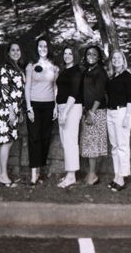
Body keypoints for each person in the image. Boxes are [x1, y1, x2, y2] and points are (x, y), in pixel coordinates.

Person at [25, 36, 59, 185]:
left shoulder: (54, 67)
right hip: (34, 105)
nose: (43, 49)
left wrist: (56, 106)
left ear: (49, 48)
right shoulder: (30, 66)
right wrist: (28, 107)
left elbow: (55, 87)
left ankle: (40, 170)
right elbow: (27, 87)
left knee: (45, 138)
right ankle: (34, 174)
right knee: (34, 138)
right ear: (36, 48)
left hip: (49, 105)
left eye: (45, 46)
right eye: (40, 46)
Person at [0, 42, 24, 187]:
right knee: (7, 141)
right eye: (13, 50)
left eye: (18, 50)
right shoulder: (6, 68)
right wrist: (11, 111)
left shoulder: (18, 68)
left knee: (5, 141)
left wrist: (20, 110)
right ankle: (4, 176)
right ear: (8, 53)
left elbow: (19, 92)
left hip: (15, 109)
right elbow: (5, 91)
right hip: (7, 109)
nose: (16, 52)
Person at [106, 50, 131, 192]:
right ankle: (117, 175)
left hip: (122, 112)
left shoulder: (127, 76)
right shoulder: (111, 77)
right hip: (110, 112)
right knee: (115, 146)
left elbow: (130, 99)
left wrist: (127, 116)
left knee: (122, 146)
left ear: (123, 60)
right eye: (114, 58)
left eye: (119, 58)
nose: (116, 60)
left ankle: (122, 178)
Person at [80, 45, 108, 186]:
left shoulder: (100, 72)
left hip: (96, 112)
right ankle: (91, 173)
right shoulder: (87, 71)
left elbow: (99, 94)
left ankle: (92, 175)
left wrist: (92, 113)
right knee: (89, 144)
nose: (91, 56)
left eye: (94, 54)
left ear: (99, 57)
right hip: (88, 111)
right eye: (88, 53)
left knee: (92, 145)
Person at [55, 46, 83, 188]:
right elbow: (59, 90)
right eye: (65, 53)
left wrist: (65, 112)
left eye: (70, 53)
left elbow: (73, 93)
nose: (67, 56)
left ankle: (71, 176)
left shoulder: (76, 71)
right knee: (65, 141)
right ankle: (69, 174)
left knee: (70, 141)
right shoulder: (64, 70)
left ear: (75, 55)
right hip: (62, 107)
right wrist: (57, 108)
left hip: (71, 108)